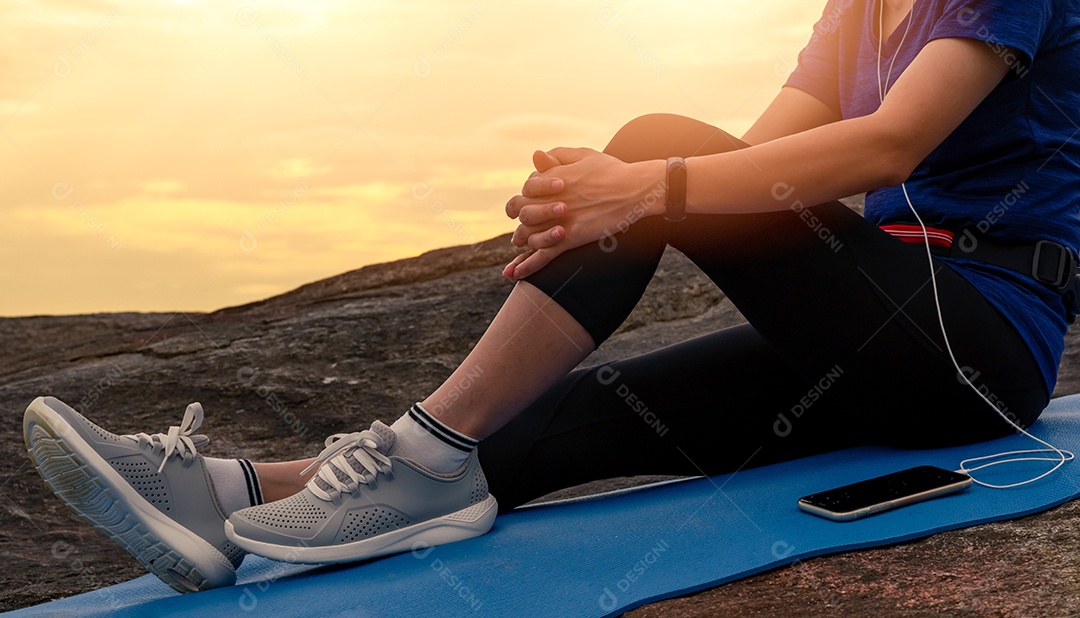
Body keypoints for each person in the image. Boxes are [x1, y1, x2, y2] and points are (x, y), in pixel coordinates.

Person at [24, 0, 1079, 595]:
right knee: (569, 412)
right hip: (869, 343)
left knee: (657, 149)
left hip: (973, 336)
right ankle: (230, 499)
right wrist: (599, 200)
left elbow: (893, 142)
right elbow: (761, 164)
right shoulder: (856, 11)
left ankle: (428, 448)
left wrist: (643, 184)